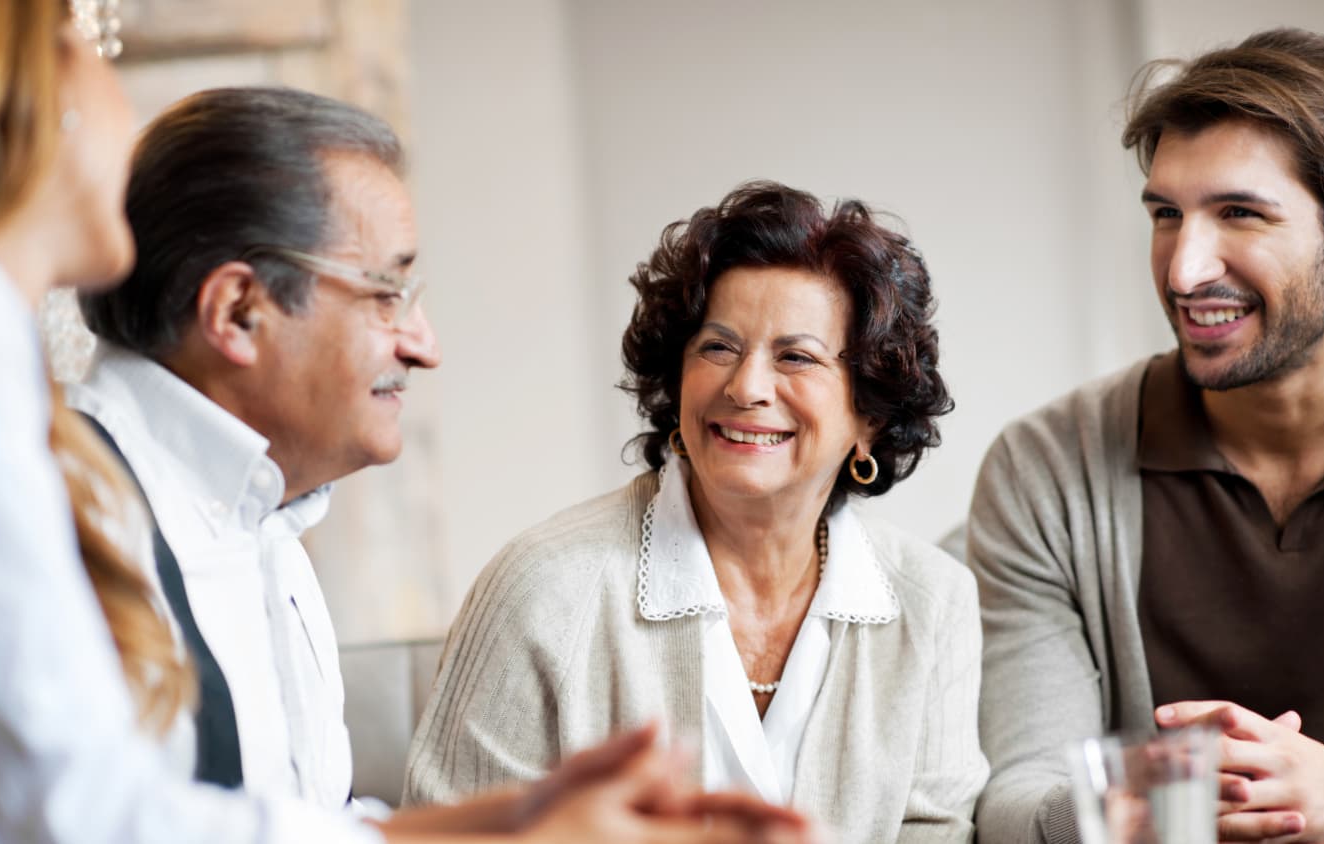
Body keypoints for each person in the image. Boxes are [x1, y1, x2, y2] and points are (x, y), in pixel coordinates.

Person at [0, 2, 810, 841]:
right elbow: (87, 817)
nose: (425, 345)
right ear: (239, 313)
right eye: (388, 290)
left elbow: (296, 821)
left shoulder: (269, 524)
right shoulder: (46, 444)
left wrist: (521, 815)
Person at [404, 181, 989, 841]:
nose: (745, 387)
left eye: (796, 357)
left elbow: (933, 830)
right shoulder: (543, 587)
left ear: (870, 416)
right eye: (718, 348)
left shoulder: (935, 602)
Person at [966, 28, 1324, 844]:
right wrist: (1179, 798)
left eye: (1239, 214)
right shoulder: (1046, 470)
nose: (1184, 271)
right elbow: (1014, 804)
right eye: (1166, 214)